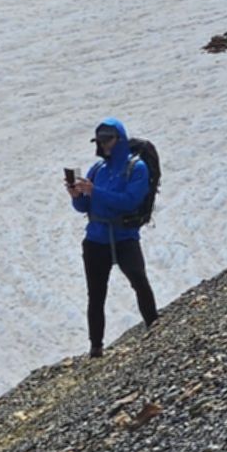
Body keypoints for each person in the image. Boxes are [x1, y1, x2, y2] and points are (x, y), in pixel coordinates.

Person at [65, 117, 159, 357]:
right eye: (100, 141)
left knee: (139, 281)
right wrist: (77, 196)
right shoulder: (97, 170)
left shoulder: (136, 168)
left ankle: (156, 329)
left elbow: (129, 202)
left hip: (124, 236)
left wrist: (95, 192)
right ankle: (96, 347)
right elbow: (84, 207)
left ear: (120, 140)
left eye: (107, 140)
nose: (103, 145)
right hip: (97, 239)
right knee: (96, 294)